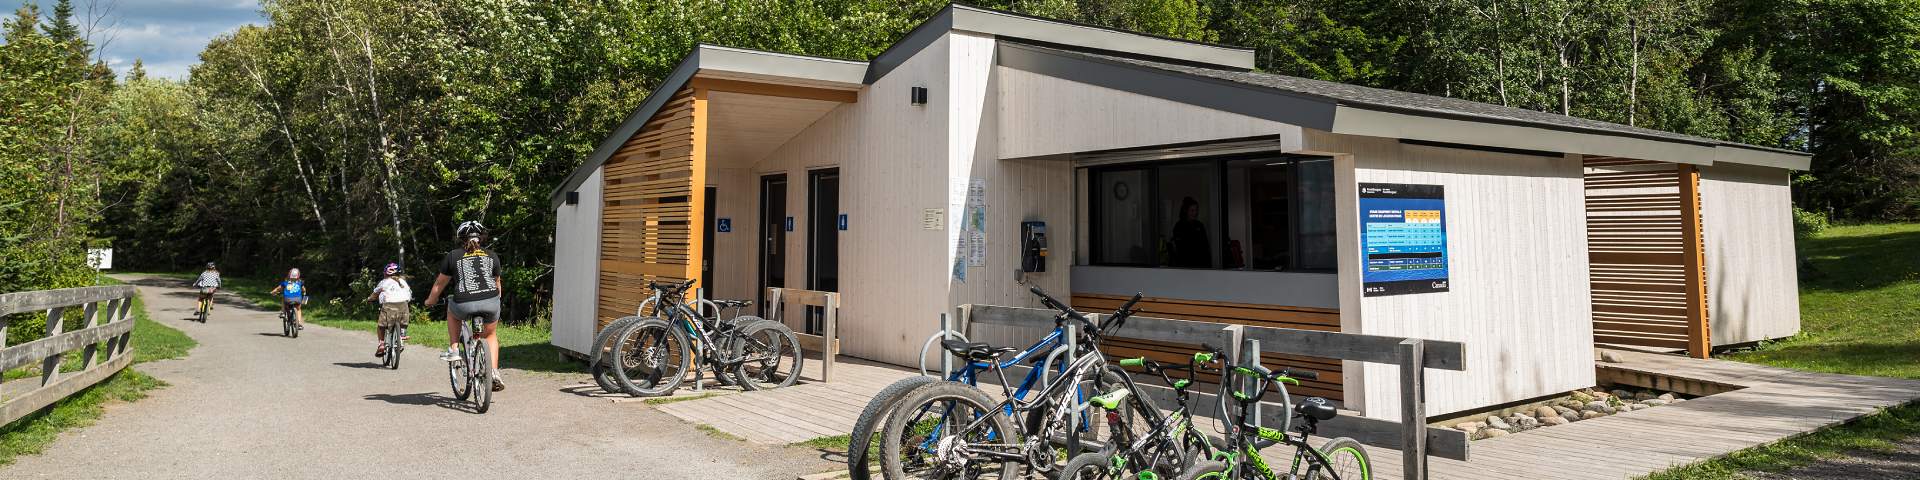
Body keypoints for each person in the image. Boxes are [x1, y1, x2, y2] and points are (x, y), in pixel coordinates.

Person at [423, 221, 506, 392]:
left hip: (464, 303)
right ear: (482, 237)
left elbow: (439, 284)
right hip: (491, 301)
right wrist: (496, 300)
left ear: (461, 238)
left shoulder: (453, 256)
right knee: (490, 335)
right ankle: (494, 372)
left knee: (452, 309)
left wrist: (429, 301)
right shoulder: (492, 256)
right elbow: (498, 284)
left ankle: (454, 349)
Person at [365, 262, 412, 357]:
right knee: (403, 322)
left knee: (381, 325)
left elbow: (375, 294)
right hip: (403, 305)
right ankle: (402, 336)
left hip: (388, 305)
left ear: (385, 273)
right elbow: (409, 293)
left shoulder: (383, 282)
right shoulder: (403, 281)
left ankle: (381, 344)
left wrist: (369, 299)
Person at [1169, 196, 1212, 268]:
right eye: (1192, 210)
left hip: (1202, 265)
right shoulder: (1179, 226)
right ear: (1186, 211)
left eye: (1196, 210)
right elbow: (1181, 249)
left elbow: (1205, 246)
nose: (1195, 213)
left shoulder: (1199, 225)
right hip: (1186, 266)